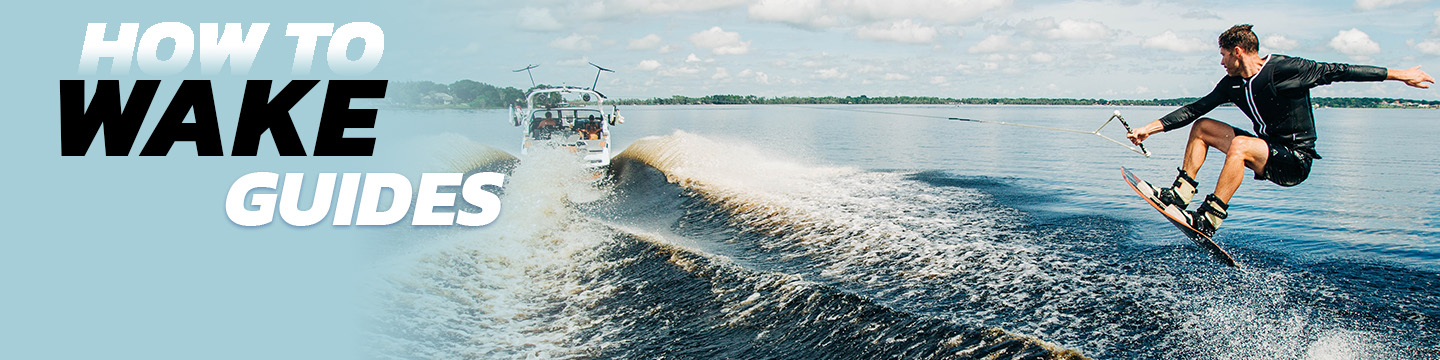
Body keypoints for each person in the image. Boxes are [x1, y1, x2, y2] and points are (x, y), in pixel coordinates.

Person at [1126, 24, 1433, 237]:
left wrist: (1401, 75)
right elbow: (1195, 109)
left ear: (1237, 52)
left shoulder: (1286, 69)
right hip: (1266, 146)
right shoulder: (1232, 84)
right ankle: (1181, 194)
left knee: (1241, 146)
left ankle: (1209, 218)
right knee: (1203, 126)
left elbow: (1341, 71)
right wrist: (1148, 130)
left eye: (1222, 55)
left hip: (1294, 160)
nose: (1220, 61)